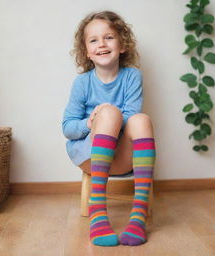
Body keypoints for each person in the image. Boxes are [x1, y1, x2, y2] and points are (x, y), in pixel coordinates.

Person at [62, 11, 156, 247]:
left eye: (109, 38)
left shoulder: (132, 76)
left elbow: (132, 117)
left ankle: (139, 212)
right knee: (110, 112)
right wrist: (91, 122)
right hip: (89, 155)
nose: (101, 44)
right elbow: (68, 128)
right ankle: (98, 208)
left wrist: (108, 118)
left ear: (122, 45)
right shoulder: (82, 83)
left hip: (121, 157)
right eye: (93, 40)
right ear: (86, 51)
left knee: (141, 119)